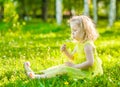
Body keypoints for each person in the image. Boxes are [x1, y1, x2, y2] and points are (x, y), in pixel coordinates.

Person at [24, 15, 103, 79]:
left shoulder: (87, 45)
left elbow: (90, 63)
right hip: (80, 68)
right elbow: (72, 57)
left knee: (64, 69)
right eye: (72, 31)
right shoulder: (79, 44)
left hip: (88, 72)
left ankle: (38, 77)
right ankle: (37, 72)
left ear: (85, 31)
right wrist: (65, 51)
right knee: (60, 67)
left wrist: (74, 66)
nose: (72, 33)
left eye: (75, 30)